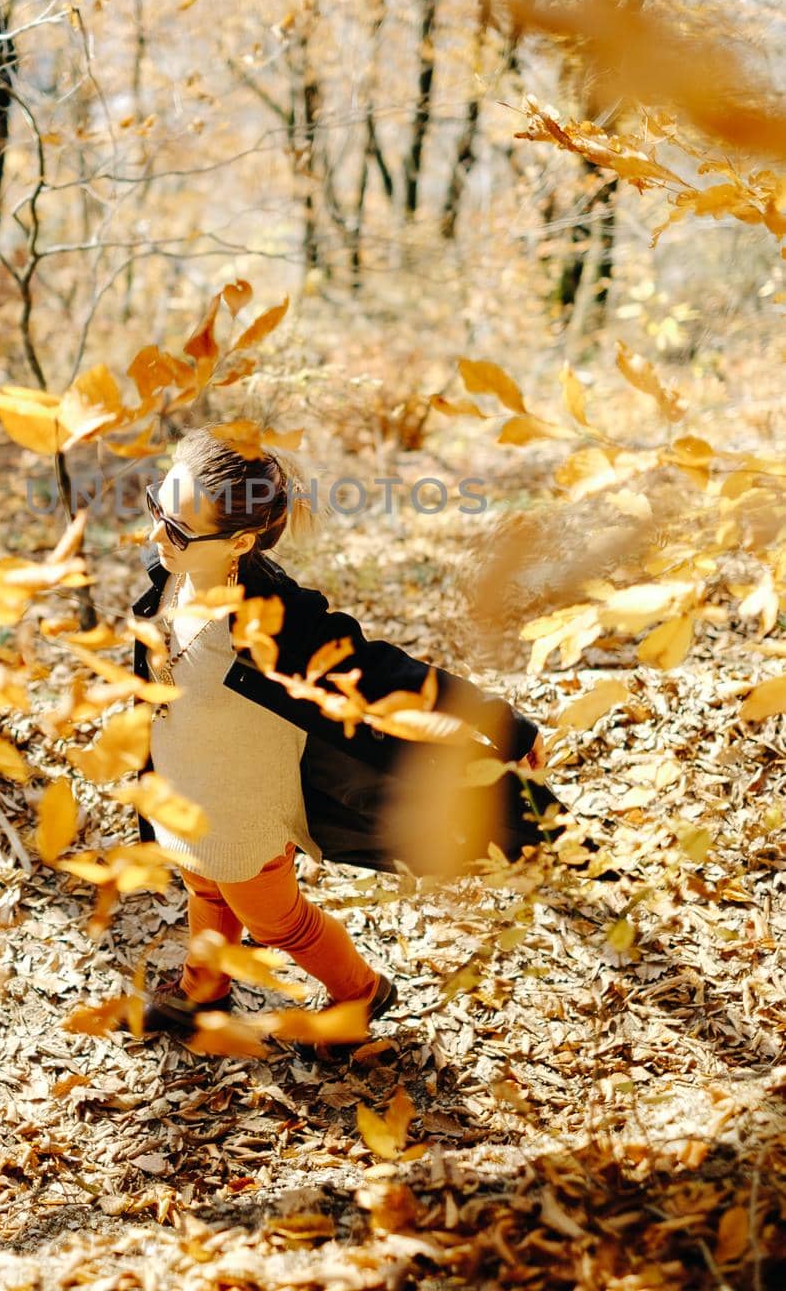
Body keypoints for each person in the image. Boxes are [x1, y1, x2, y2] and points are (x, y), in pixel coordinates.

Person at [127, 427, 548, 1047]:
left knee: (275, 922)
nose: (156, 534)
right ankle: (202, 991)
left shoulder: (276, 622)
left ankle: (360, 992)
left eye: (179, 530)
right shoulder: (171, 576)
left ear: (241, 541)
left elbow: (383, 671)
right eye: (157, 506)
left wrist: (498, 721)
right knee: (204, 883)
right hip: (185, 780)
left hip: (242, 803)